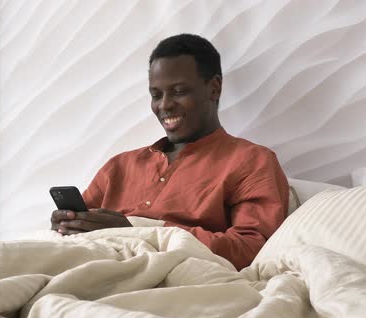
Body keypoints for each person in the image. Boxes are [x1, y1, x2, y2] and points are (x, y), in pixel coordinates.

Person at [50, 34, 289, 270]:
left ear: (214, 89)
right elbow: (78, 232)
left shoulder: (252, 161)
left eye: (178, 91)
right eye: (156, 95)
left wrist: (137, 229)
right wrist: (67, 224)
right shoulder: (119, 166)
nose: (164, 105)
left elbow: (250, 249)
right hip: (86, 263)